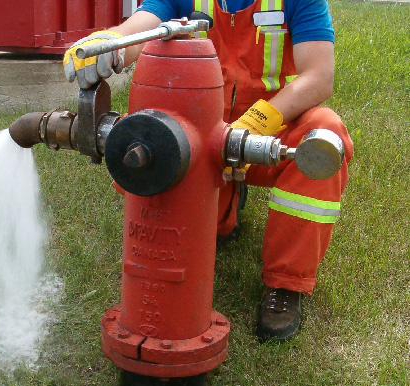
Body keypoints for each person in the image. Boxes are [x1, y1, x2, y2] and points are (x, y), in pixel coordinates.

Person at [63, 0, 354, 342]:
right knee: (167, 154)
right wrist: (107, 44)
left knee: (325, 132)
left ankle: (286, 284)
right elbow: (139, 31)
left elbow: (319, 76)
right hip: (200, 131)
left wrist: (259, 122)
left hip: (274, 126)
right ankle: (224, 209)